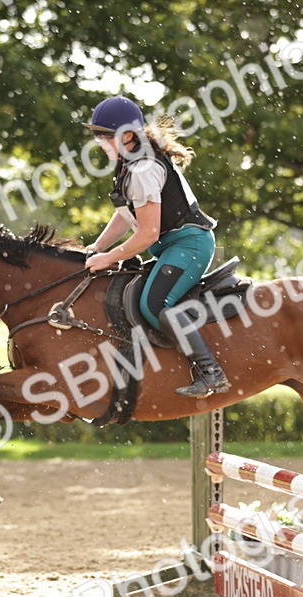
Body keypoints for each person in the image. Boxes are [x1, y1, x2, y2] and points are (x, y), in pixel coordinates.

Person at [82, 95, 230, 398]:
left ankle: (211, 372)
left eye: (103, 136)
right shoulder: (130, 163)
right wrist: (97, 247)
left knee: (154, 305)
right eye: (97, 136)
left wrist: (110, 257)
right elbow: (125, 216)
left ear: (126, 135)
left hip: (190, 244)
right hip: (174, 245)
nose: (98, 142)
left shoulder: (142, 169)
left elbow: (147, 233)